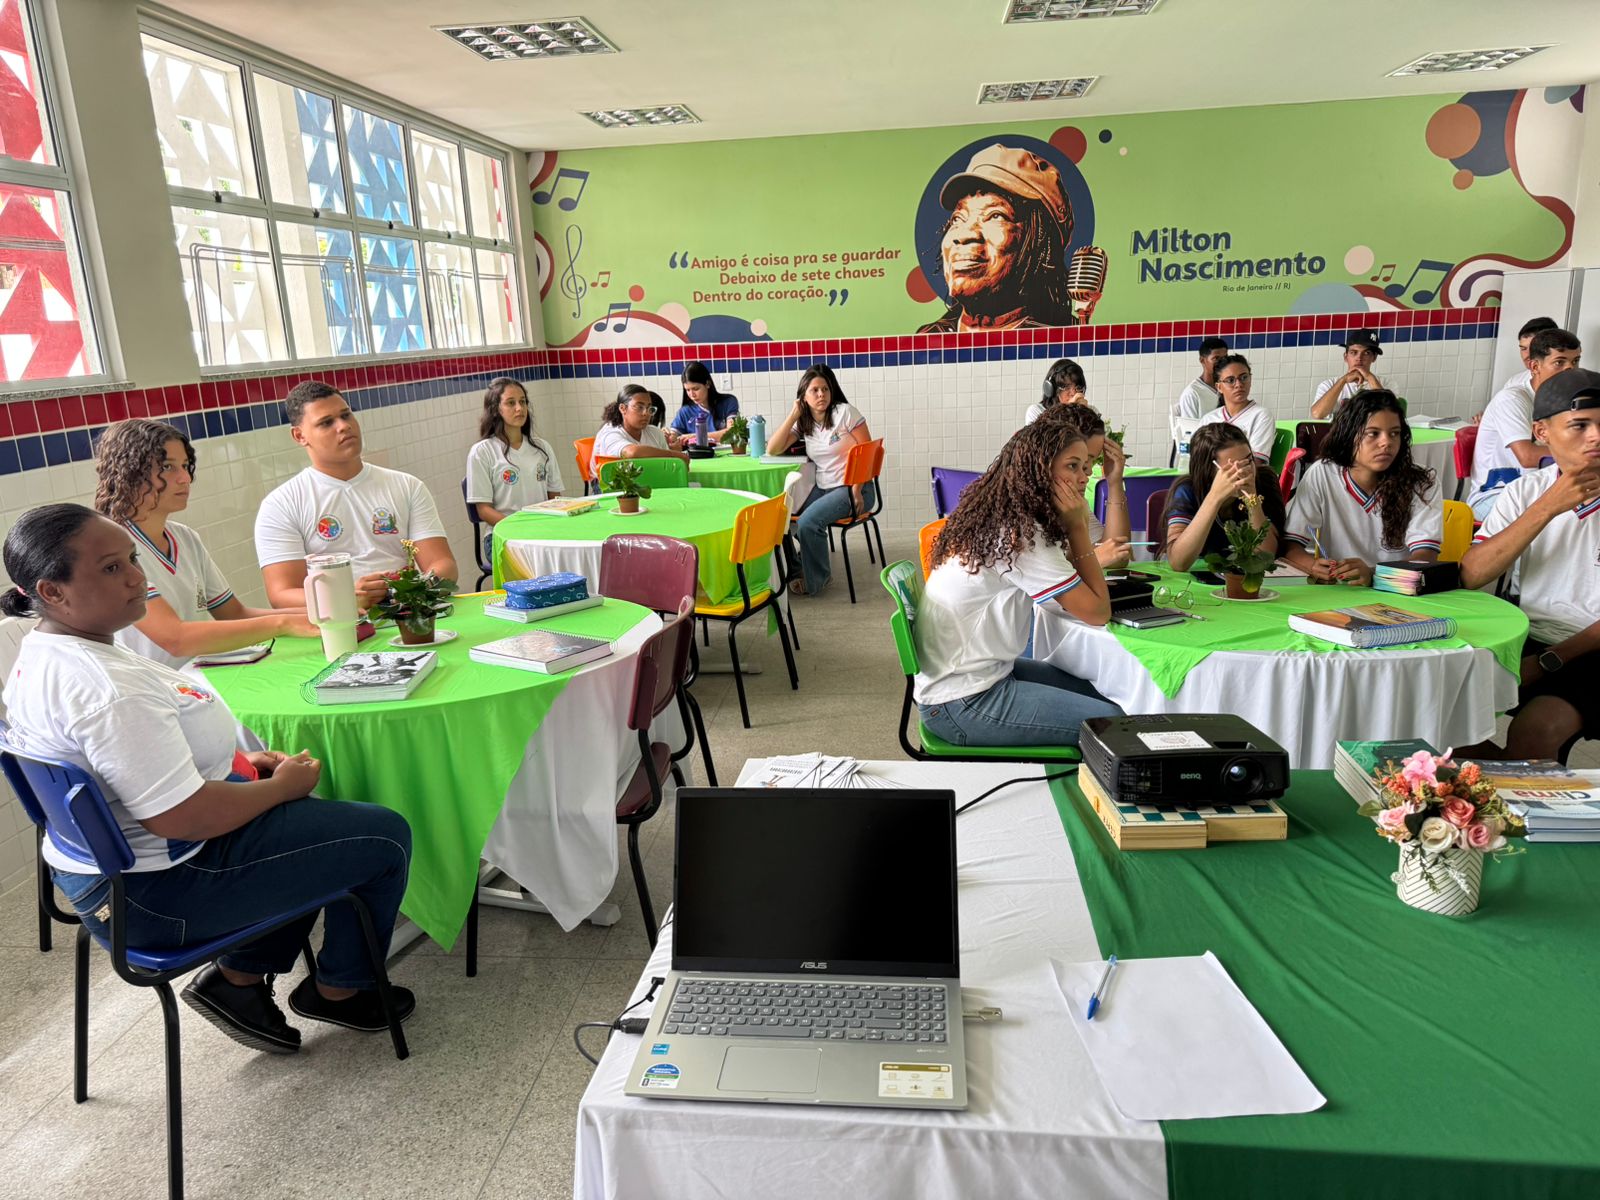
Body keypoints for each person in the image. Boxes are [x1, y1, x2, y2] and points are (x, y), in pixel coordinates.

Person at [0, 504, 416, 1053]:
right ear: (52, 591)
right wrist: (277, 788)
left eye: (131, 559)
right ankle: (341, 990)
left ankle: (238, 981)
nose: (137, 578)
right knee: (382, 836)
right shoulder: (106, 689)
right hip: (156, 897)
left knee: (306, 818)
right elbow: (182, 816)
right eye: (110, 568)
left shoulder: (50, 651)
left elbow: (146, 770)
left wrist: (245, 769)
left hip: (119, 877)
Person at [913, 406, 1120, 747]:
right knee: (1114, 725)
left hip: (975, 677)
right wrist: (1077, 528)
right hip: (963, 701)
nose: (1084, 478)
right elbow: (1098, 613)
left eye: (1086, 467)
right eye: (1072, 466)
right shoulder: (1022, 537)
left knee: (1104, 692)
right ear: (1039, 469)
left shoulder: (1006, 518)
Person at [92, 419, 316, 670]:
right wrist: (284, 623)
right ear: (129, 472)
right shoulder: (115, 548)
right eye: (167, 467)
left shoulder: (185, 538)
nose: (185, 478)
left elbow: (234, 614)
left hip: (196, 679)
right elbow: (176, 639)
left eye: (185, 466)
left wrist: (319, 613)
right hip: (152, 685)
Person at [1459, 369, 1600, 759]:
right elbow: (1472, 574)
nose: (1596, 437)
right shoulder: (1526, 491)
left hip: (1589, 648)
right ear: (1542, 432)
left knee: (1536, 731)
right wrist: (1547, 508)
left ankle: (1517, 788)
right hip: (1526, 636)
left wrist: (1549, 661)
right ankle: (1496, 788)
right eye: (1580, 425)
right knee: (1435, 716)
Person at [255, 381, 456, 611]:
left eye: (346, 415)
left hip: (408, 613)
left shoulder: (407, 486)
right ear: (299, 436)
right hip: (339, 622)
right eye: (326, 422)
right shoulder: (282, 504)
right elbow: (282, 595)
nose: (343, 426)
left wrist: (410, 589)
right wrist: (347, 597)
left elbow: (443, 564)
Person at [1282, 390, 1441, 585]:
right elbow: (1291, 545)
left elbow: (1426, 556)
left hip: (1400, 590)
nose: (1386, 442)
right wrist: (1313, 566)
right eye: (1373, 433)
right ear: (1349, 436)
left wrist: (1374, 574)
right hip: (1342, 590)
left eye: (1395, 433)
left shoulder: (1422, 481)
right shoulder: (1322, 474)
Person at [917, 144, 1076, 333]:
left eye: (995, 216)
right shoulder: (926, 340)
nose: (963, 235)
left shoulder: (1069, 340)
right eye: (958, 218)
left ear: (1043, 243)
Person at [766, 363, 872, 595]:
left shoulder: (845, 412)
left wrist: (856, 490)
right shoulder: (804, 421)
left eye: (825, 389)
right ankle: (797, 570)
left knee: (808, 522)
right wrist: (793, 414)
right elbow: (773, 449)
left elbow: (868, 453)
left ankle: (818, 579)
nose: (821, 394)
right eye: (814, 390)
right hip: (824, 488)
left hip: (855, 488)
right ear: (804, 396)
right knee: (780, 517)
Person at [1468, 327, 1580, 519]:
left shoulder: (1566, 401)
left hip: (1538, 490)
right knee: (1568, 519)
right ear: (1535, 367)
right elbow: (1527, 456)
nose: (1569, 369)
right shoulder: (1512, 399)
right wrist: (1580, 454)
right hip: (1494, 497)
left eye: (1575, 361)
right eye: (1559, 362)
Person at [1162, 423, 1287, 572]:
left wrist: (1252, 500)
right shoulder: (1188, 490)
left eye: (1248, 461)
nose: (1245, 472)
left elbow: (1265, 557)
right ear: (1208, 470)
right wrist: (1215, 497)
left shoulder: (1264, 481)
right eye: (1232, 468)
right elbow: (1178, 562)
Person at [465, 377, 564, 557]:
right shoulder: (482, 452)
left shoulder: (542, 448)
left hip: (542, 531)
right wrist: (520, 529)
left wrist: (546, 527)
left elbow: (555, 498)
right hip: (503, 535)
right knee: (536, 564)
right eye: (511, 403)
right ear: (496, 409)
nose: (519, 408)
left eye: (523, 402)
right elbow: (484, 510)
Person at [1056, 404, 1132, 569]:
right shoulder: (1025, 511)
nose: (1089, 472)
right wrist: (1094, 559)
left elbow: (1116, 558)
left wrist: (1114, 483)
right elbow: (1052, 577)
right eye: (1075, 464)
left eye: (1093, 460)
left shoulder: (1074, 502)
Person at [593, 384, 689, 475]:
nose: (646, 413)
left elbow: (671, 466)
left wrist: (676, 453)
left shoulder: (655, 432)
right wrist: (674, 454)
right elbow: (631, 452)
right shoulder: (610, 433)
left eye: (649, 408)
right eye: (639, 407)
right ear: (623, 408)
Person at [1196, 353, 1275, 462]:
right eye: (1230, 380)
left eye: (1244, 377)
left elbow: (1256, 462)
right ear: (1219, 387)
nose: (1239, 384)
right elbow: (1198, 460)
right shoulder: (1208, 419)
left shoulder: (1261, 416)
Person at [1310, 330, 1385, 419]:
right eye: (1354, 352)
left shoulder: (1385, 384)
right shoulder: (1328, 384)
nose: (1359, 358)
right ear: (1346, 357)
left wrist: (1369, 377)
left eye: (1366, 353)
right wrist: (1343, 380)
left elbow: (1390, 415)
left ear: (1374, 357)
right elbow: (1317, 415)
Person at [669, 362, 739, 443]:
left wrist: (696, 436)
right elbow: (673, 436)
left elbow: (732, 432)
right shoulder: (684, 412)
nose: (692, 395)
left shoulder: (728, 402)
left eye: (695, 389)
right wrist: (666, 435)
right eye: (688, 390)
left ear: (707, 384)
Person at [1497, 315, 1558, 394]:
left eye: (1534, 348)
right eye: (1523, 349)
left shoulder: (1568, 383)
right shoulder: (1514, 383)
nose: (1527, 355)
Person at [1173, 337, 1229, 421]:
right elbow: (1190, 428)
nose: (1222, 363)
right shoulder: (1192, 394)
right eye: (1216, 358)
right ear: (1202, 360)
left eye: (1225, 358)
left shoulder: (1229, 386)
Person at [1022, 358, 1088, 424]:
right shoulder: (1036, 411)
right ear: (1053, 389)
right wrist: (1069, 411)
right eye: (1067, 387)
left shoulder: (1089, 411)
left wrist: (1084, 414)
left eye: (1078, 387)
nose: (1073, 393)